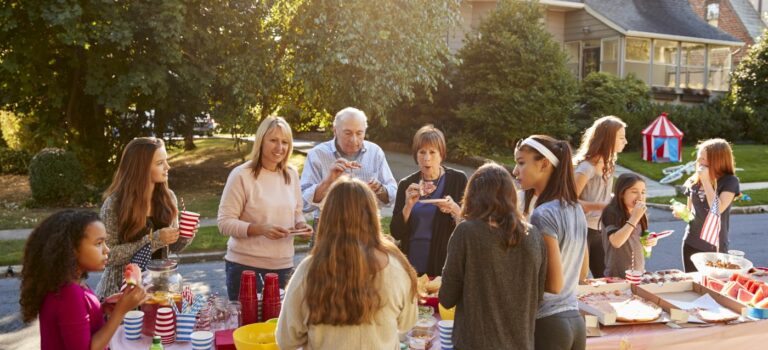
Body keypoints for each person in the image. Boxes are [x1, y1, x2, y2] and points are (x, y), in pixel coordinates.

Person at [276, 177, 418, 350]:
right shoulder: (397, 267)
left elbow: (287, 340)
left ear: (327, 217)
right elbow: (407, 324)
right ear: (372, 215)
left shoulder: (308, 270)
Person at [439, 163, 547, 350]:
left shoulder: (466, 232)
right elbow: (537, 299)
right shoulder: (534, 235)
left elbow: (447, 297)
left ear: (472, 196)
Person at [20, 210, 147, 350]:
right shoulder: (69, 293)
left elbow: (77, 322)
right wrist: (120, 312)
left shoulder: (71, 284)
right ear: (72, 249)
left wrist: (102, 308)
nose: (107, 250)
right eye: (99, 243)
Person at [218, 116, 311, 300]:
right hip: (245, 268)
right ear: (261, 141)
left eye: (285, 142)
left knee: (278, 328)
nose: (280, 147)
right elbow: (224, 223)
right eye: (273, 140)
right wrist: (260, 229)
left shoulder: (291, 174)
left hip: (283, 267)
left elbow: (297, 212)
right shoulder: (241, 175)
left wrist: (301, 226)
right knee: (247, 327)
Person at [513, 135, 588, 350]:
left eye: (521, 163)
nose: (515, 171)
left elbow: (554, 285)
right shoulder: (576, 209)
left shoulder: (543, 214)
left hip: (548, 324)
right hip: (575, 322)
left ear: (544, 164)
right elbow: (582, 273)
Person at [96, 137, 192, 298]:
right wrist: (153, 240)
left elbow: (171, 248)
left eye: (166, 161)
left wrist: (183, 236)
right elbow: (108, 255)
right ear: (141, 168)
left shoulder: (169, 198)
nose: (167, 167)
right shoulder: (114, 204)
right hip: (119, 295)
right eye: (160, 163)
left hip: (158, 292)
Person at [300, 108, 397, 227]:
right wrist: (328, 182)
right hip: (328, 227)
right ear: (335, 131)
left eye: (359, 133)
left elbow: (393, 196)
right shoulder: (317, 154)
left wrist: (380, 189)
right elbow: (303, 204)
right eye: (348, 133)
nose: (354, 139)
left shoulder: (375, 152)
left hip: (367, 226)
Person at [390, 125, 467, 276]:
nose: (427, 158)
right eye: (422, 152)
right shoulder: (407, 184)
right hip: (410, 262)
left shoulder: (458, 180)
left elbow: (469, 227)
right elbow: (396, 232)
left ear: (442, 154)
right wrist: (408, 206)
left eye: (432, 152)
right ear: (415, 155)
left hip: (443, 262)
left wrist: (454, 209)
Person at [573, 116, 627, 278]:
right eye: (621, 138)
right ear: (608, 139)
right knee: (579, 279)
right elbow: (568, 200)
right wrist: (598, 206)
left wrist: (618, 199)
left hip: (600, 228)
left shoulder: (609, 164)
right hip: (581, 230)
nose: (626, 142)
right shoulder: (586, 168)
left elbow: (600, 194)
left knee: (605, 277)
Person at [680, 138, 740, 272]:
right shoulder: (694, 180)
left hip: (715, 246)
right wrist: (682, 213)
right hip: (691, 241)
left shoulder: (730, 181)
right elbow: (690, 212)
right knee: (693, 286)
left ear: (717, 160)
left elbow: (717, 209)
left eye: (703, 159)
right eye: (698, 158)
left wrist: (706, 181)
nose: (699, 162)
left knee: (712, 288)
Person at [601, 173, 657, 277]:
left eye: (643, 192)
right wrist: (634, 218)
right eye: (634, 192)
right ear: (622, 193)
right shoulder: (611, 212)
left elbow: (638, 240)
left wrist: (649, 240)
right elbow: (616, 242)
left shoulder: (640, 213)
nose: (640, 196)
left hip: (638, 272)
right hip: (616, 275)